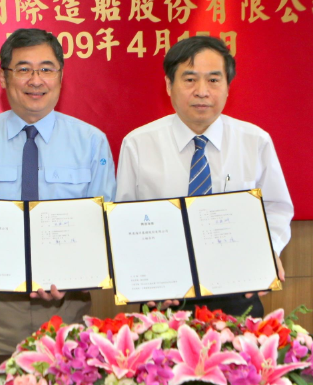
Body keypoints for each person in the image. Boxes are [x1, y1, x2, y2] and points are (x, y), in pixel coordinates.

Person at [0, 28, 116, 354]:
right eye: (23, 69)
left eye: (46, 69)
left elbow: (105, 224)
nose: (36, 80)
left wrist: (72, 278)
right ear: (4, 78)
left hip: (69, 305)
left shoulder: (91, 142)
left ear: (61, 77)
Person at [115, 36, 292, 318]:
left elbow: (276, 208)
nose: (202, 91)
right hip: (164, 294)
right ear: (169, 85)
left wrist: (266, 251)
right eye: (189, 80)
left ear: (227, 86)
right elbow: (124, 220)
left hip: (237, 288)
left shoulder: (255, 141)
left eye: (213, 80)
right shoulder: (138, 144)